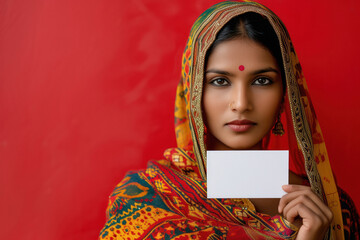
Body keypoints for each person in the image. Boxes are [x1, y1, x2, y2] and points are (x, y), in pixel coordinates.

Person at [99, 1, 359, 239]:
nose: (241, 103)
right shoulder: (147, 197)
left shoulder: (331, 209)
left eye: (262, 81)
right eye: (220, 81)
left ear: (285, 94)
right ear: (194, 93)